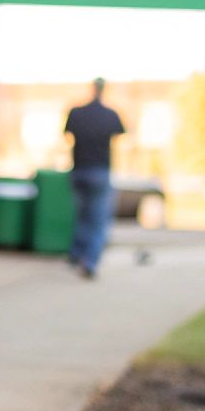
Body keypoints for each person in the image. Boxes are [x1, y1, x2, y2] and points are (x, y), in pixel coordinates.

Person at [63, 78, 125, 279]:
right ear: (104, 90)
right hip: (99, 171)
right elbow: (122, 134)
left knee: (82, 215)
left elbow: (66, 135)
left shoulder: (77, 113)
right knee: (98, 220)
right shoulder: (109, 115)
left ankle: (76, 254)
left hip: (78, 171)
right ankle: (89, 262)